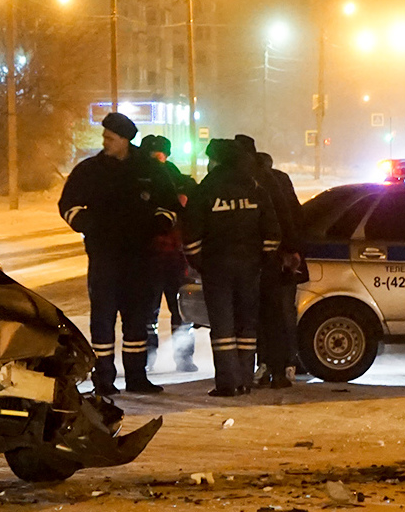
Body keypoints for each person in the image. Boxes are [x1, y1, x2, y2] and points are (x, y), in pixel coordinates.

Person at [58, 112, 178, 395]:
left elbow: (171, 205)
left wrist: (159, 224)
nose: (105, 142)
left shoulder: (150, 170)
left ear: (125, 140)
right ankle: (104, 379)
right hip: (104, 257)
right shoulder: (90, 170)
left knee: (137, 320)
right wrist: (86, 224)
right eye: (105, 137)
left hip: (140, 257)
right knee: (103, 320)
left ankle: (137, 376)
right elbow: (68, 204)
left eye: (110, 138)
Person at [183, 138, 281, 397]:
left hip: (217, 268)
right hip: (250, 268)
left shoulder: (206, 190)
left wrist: (201, 263)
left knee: (223, 327)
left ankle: (227, 383)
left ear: (216, 161)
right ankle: (245, 380)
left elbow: (191, 234)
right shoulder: (255, 188)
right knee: (246, 325)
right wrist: (262, 259)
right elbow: (272, 231)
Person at [241, 140, 303, 388]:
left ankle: (270, 365)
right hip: (279, 261)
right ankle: (281, 365)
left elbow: (284, 218)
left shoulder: (259, 181)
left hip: (269, 261)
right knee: (279, 316)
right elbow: (294, 215)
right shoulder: (277, 179)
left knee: (268, 316)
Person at [138, 134, 197, 373]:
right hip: (166, 256)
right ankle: (168, 358)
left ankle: (153, 358)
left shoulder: (172, 181)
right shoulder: (178, 180)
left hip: (167, 255)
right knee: (165, 311)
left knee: (170, 311)